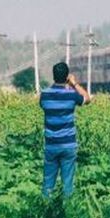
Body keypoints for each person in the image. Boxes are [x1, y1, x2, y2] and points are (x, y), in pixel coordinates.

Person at [39, 62, 91, 198]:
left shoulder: (44, 95)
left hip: (51, 146)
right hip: (68, 145)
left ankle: (45, 212)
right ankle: (67, 213)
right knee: (67, 184)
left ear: (53, 76)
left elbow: (47, 98)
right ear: (67, 76)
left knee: (48, 183)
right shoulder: (71, 95)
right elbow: (87, 98)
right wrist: (74, 84)